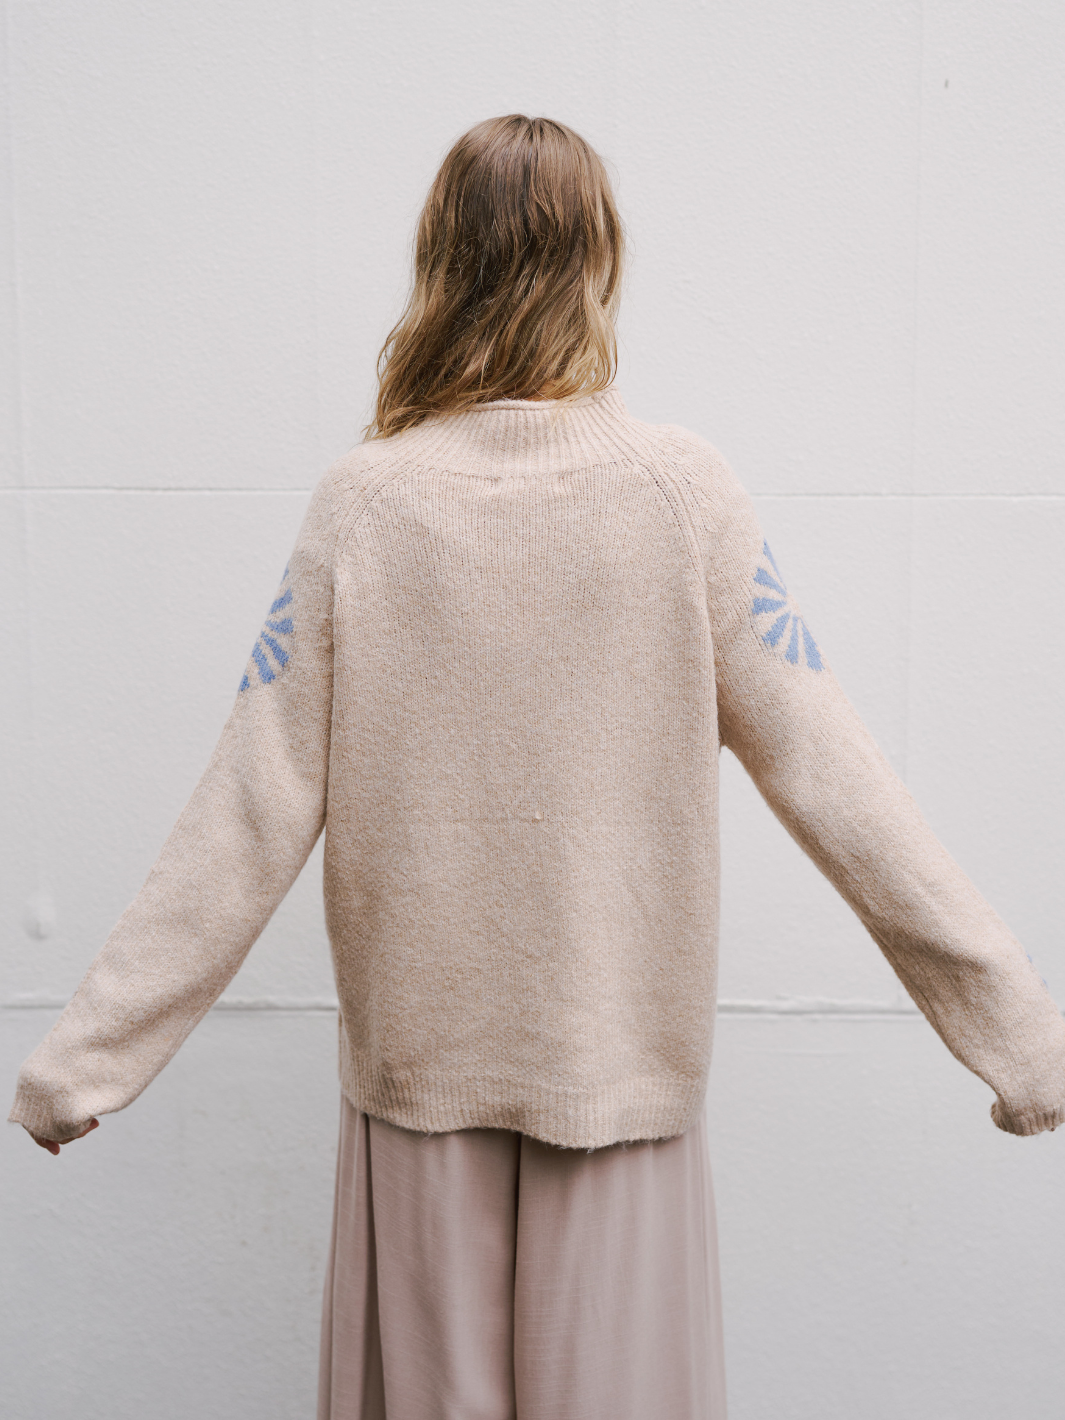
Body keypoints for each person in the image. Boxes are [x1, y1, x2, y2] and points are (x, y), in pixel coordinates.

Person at [10, 113, 1065, 1420]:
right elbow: (836, 775)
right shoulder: (679, 494)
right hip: (617, 1083)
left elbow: (246, 810)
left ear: (437, 263)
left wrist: (85, 1062)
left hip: (422, 1103)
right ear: (600, 263)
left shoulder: (367, 505)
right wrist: (1022, 1035)